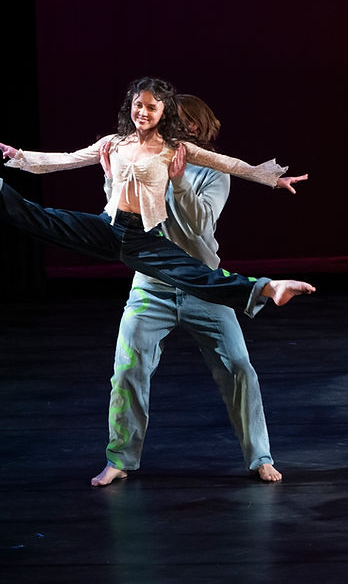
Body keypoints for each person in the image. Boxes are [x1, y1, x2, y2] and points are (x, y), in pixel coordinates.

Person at [0, 76, 315, 318]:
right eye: (138, 104)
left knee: (196, 273)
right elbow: (66, 160)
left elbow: (229, 163)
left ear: (163, 112)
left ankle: (268, 287)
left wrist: (272, 179)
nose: (143, 111)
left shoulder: (174, 147)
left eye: (152, 106)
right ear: (130, 106)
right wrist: (21, 158)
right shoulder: (114, 143)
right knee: (47, 220)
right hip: (109, 226)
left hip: (143, 237)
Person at [90, 93, 308, 487]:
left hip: (205, 286)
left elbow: (198, 227)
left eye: (179, 121)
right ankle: (120, 458)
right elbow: (119, 218)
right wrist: (111, 177)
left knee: (239, 368)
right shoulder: (142, 159)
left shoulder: (211, 173)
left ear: (193, 128)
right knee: (128, 371)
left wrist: (178, 182)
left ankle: (260, 457)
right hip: (151, 288)